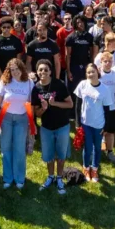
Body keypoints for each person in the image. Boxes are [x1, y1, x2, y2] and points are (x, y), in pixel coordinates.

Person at [32, 59, 73, 194]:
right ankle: (50, 177)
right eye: (40, 70)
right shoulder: (36, 88)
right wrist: (43, 108)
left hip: (62, 125)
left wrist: (55, 104)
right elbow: (36, 113)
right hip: (46, 127)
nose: (43, 72)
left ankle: (59, 178)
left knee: (61, 155)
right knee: (49, 155)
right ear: (37, 72)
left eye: (46, 70)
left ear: (50, 72)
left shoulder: (59, 84)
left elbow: (70, 104)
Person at [0, 58, 34, 189]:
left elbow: (30, 103)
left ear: (21, 68)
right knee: (5, 148)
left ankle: (19, 178)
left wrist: (31, 122)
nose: (15, 72)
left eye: (17, 69)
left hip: (22, 119)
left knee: (19, 149)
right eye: (12, 69)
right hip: (6, 118)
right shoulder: (4, 82)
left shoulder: (29, 83)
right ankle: (8, 178)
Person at [74, 63, 114, 182]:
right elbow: (78, 105)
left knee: (97, 147)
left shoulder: (105, 89)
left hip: (99, 124)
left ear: (98, 72)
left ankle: (95, 169)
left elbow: (108, 110)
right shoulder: (82, 85)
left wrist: (106, 126)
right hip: (85, 123)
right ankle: (86, 168)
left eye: (93, 71)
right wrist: (77, 123)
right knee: (87, 147)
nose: (91, 74)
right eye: (88, 72)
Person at [66, 14, 94, 106]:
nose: (80, 24)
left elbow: (92, 53)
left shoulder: (89, 37)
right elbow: (68, 55)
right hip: (74, 67)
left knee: (86, 87)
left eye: (82, 22)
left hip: (86, 66)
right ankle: (74, 111)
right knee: (74, 88)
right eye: (78, 22)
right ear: (74, 24)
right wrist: (69, 71)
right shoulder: (70, 37)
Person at [98, 52, 115, 162]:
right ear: (101, 62)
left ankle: (110, 151)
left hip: (111, 107)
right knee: (98, 129)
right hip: (98, 107)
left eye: (110, 61)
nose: (107, 63)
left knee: (110, 131)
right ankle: (96, 149)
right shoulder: (97, 74)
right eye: (105, 61)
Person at [0, 17, 24, 82]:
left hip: (14, 74)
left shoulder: (17, 41)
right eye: (4, 27)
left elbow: (18, 60)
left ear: (11, 28)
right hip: (0, 74)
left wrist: (15, 73)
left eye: (8, 27)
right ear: (0, 28)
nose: (6, 29)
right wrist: (2, 75)